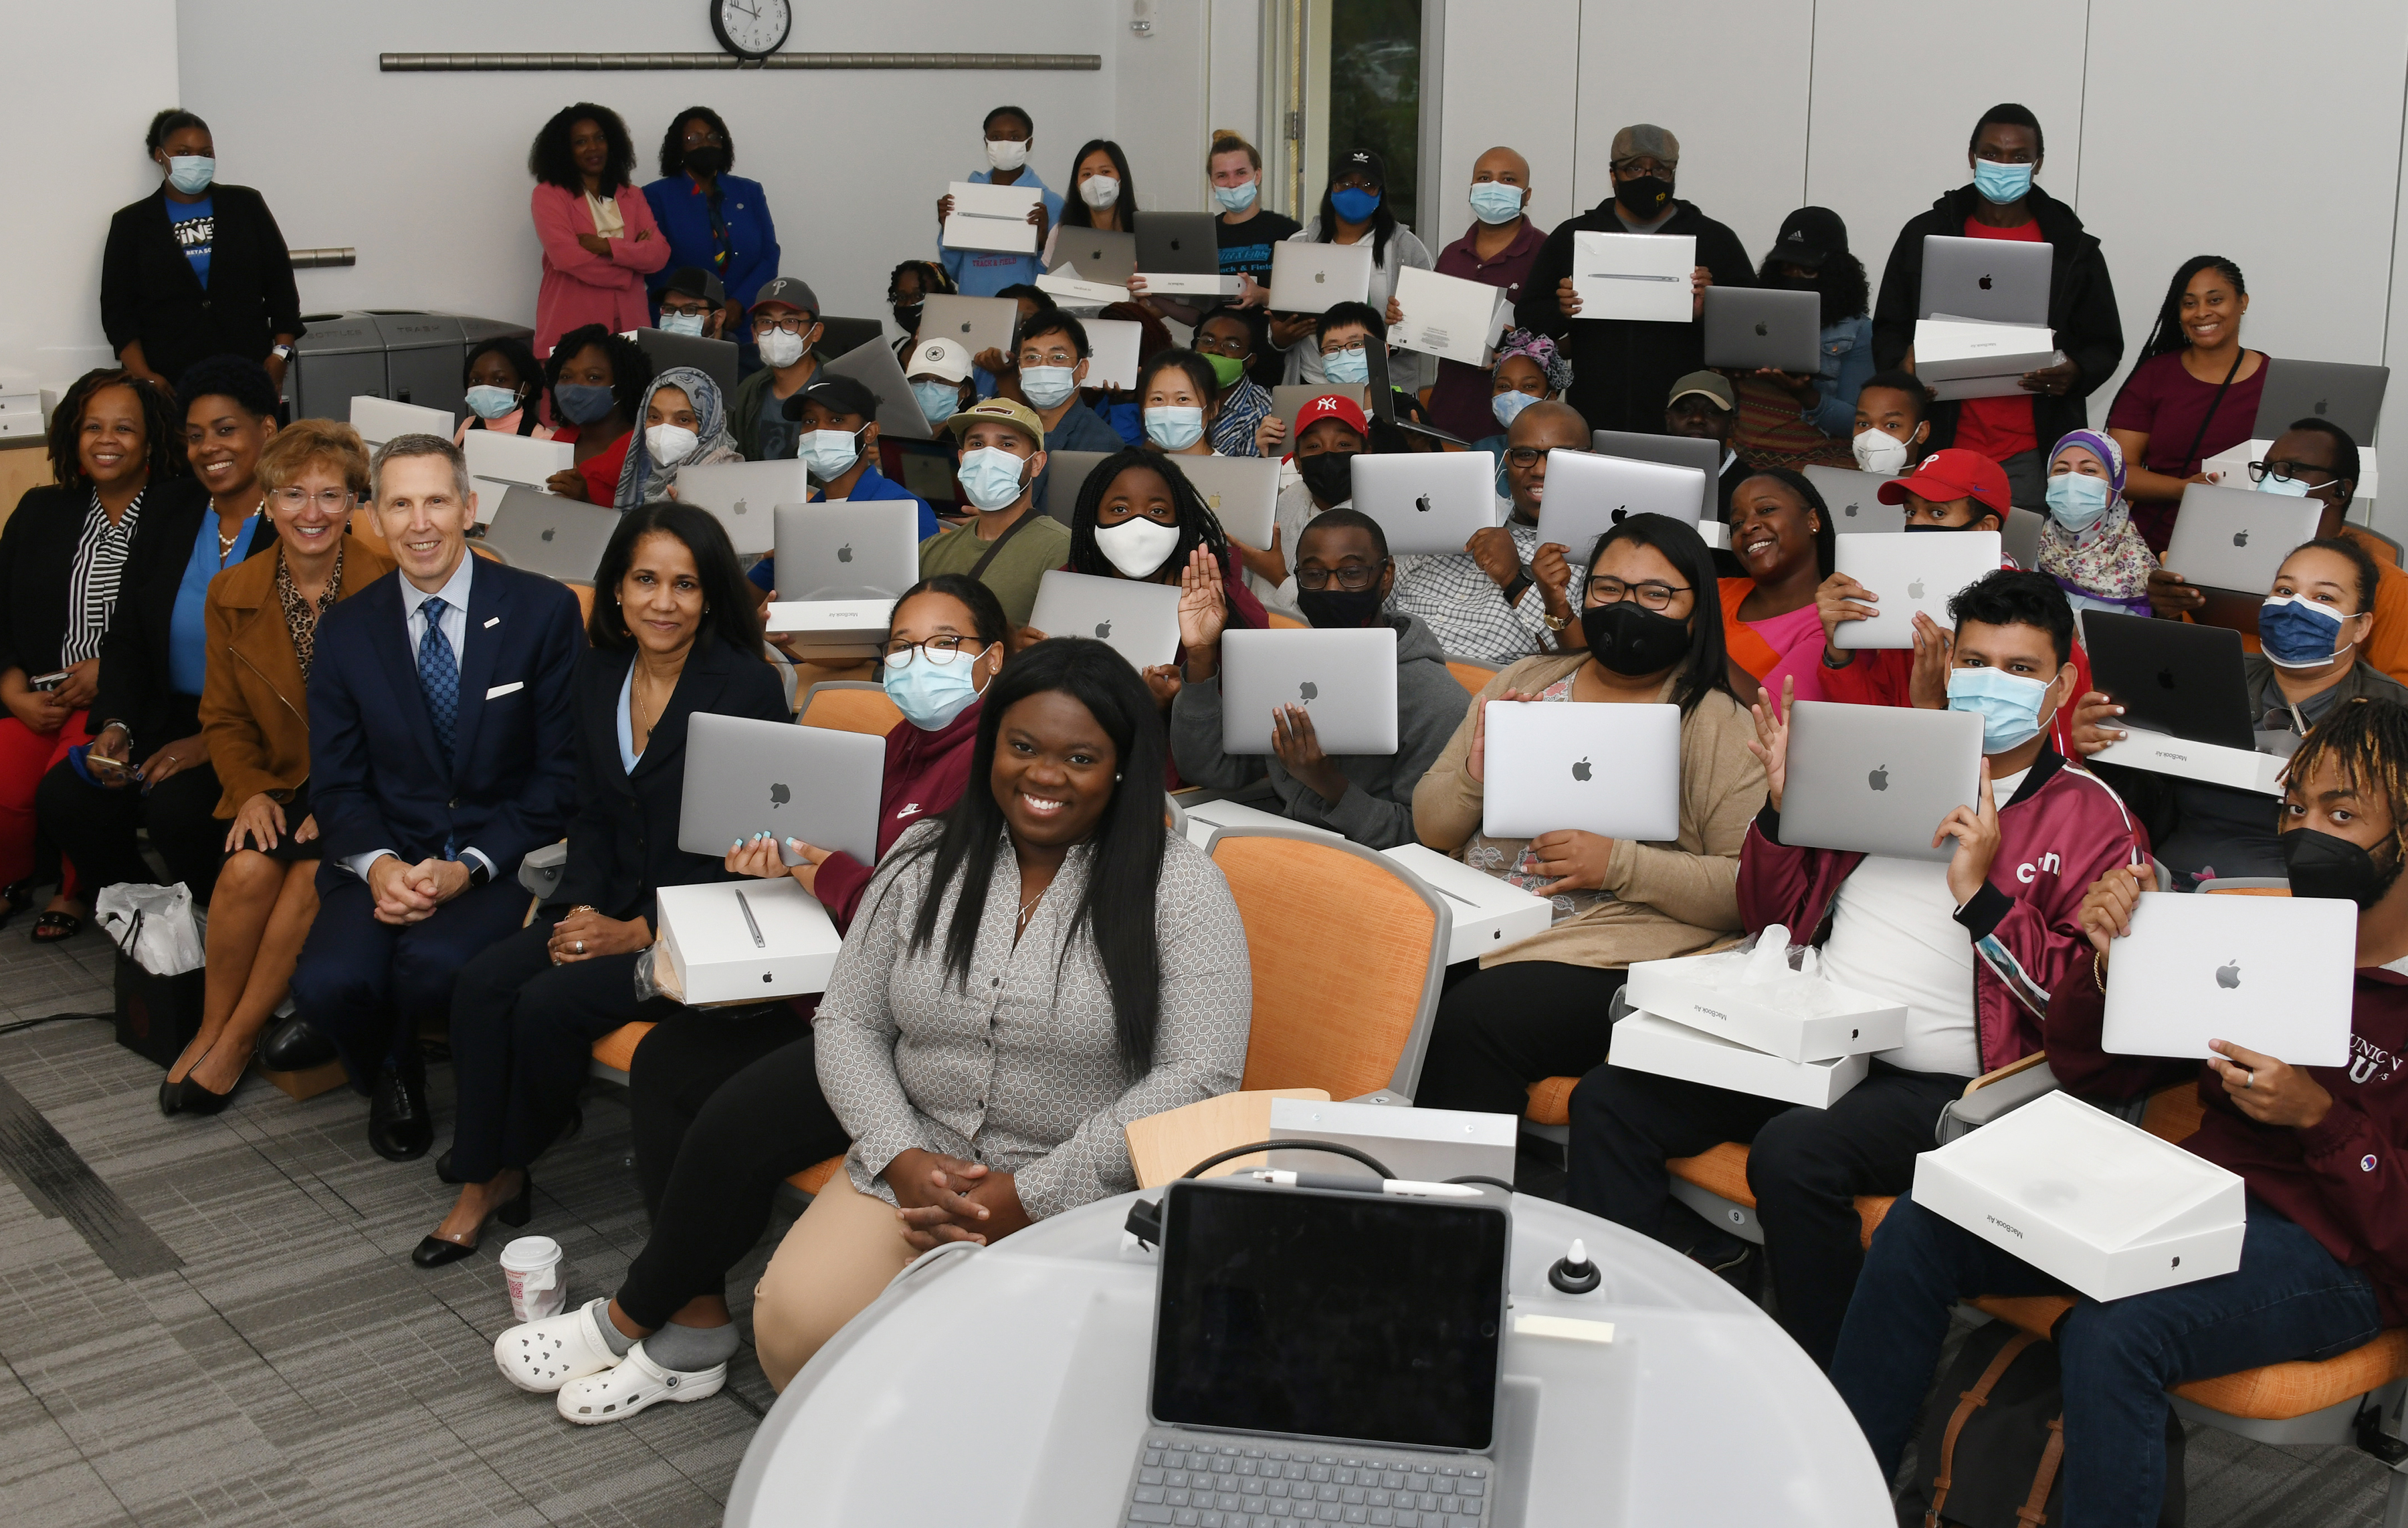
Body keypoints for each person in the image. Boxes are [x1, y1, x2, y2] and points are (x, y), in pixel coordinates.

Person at [495, 638, 1251, 1414]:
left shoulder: (1181, 888)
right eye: (1021, 747)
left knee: (1011, 1387)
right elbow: (851, 1019)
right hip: (923, 1153)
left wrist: (1032, 1192)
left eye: (1080, 757)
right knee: (790, 1332)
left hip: (1082, 1178)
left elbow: (1199, 1074)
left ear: (1123, 766)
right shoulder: (926, 856)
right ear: (991, 746)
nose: (1044, 775)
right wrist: (899, 1155)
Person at [1833, 695, 2408, 1523]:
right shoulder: (2266, 934)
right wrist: (2111, 969)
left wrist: (2321, 1119)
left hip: (2334, 1256)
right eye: (2293, 807)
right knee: (1920, 1230)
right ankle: (1842, 1497)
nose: (2303, 830)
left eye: (2341, 812)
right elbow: (2095, 1069)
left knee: (2117, 1335)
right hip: (2194, 1202)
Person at [1575, 569, 2145, 1361]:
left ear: (2061, 688)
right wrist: (1781, 813)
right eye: (1975, 661)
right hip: (1810, 1040)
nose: (1992, 684)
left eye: (2021, 670)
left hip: (1943, 1081)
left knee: (1795, 1152)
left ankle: (1833, 1385)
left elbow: (2083, 1006)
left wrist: (1980, 894)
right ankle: (1626, 1331)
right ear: (1949, 669)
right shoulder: (1885, 762)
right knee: (1611, 1099)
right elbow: (1770, 916)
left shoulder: (2091, 816)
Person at [417, 502, 783, 1266]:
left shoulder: (747, 686)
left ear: (711, 596)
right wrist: (579, 905)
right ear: (615, 589)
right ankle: (494, 1161)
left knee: (549, 1004)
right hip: (601, 896)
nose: (663, 601)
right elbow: (590, 813)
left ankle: (492, 1171)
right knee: (481, 983)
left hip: (694, 930)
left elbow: (750, 850)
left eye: (685, 585)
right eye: (645, 579)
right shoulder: (598, 673)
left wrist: (645, 930)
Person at [273, 435, 582, 1161]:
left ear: (469, 508)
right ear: (372, 518)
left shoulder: (543, 612)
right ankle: (391, 1069)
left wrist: (469, 865)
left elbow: (561, 776)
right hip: (387, 846)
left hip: (501, 850)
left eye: (437, 500)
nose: (420, 523)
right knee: (326, 983)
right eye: (400, 503)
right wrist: (380, 867)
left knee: (434, 968)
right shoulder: (347, 631)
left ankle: (495, 1084)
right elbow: (338, 780)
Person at [1412, 514, 1768, 1119]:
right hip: (1478, 919)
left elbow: (1744, 892)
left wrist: (1620, 863)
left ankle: (1465, 1203)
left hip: (1603, 950)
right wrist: (1476, 774)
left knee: (1468, 1025)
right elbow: (1432, 827)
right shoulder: (1525, 680)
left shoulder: (1720, 725)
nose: (1627, 607)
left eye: (1656, 594)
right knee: (1373, 982)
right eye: (1608, 589)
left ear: (1697, 612)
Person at [167, 421, 396, 1113]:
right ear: (267, 502)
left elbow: (409, 720)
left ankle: (237, 1039)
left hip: (370, 783)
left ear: (358, 503)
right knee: (241, 868)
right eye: (294, 495)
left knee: (305, 877)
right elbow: (224, 719)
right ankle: (210, 1027)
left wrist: (345, 797)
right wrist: (251, 792)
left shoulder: (389, 584)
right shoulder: (230, 592)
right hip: (284, 781)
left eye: (332, 495)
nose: (313, 513)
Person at [36, 358, 281, 929]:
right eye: (194, 436)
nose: (207, 448)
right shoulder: (172, 508)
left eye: (226, 430)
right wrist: (116, 724)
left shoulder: (294, 521)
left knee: (177, 810)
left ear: (266, 432)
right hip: (163, 712)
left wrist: (209, 743)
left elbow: (299, 666)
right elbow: (126, 636)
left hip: (254, 724)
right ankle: (164, 920)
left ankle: (232, 924)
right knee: (65, 798)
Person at [2091, 536, 2408, 888]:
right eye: (2285, 591)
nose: (2296, 607)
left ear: (2362, 626)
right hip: (2162, 882)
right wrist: (2106, 749)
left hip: (2308, 901)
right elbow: (2146, 798)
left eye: (2324, 597)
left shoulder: (2392, 711)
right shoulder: (2206, 673)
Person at [0, 371, 193, 939]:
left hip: (122, 700)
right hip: (39, 694)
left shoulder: (179, 514)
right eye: (93, 427)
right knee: (7, 786)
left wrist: (112, 671)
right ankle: (14, 879)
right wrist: (10, 688)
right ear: (74, 437)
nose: (107, 440)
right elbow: (1, 606)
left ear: (152, 439)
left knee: (72, 787)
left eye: (125, 428)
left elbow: (188, 621)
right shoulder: (42, 509)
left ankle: (75, 888)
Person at [1870, 104, 2122, 509]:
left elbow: (2104, 342)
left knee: (2022, 567)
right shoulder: (1926, 233)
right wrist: (1904, 369)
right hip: (1942, 440)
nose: (2004, 165)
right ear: (1972, 157)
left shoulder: (2072, 246)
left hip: (2032, 452)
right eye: (1992, 153)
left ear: (2038, 164)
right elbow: (1888, 326)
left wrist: (2075, 371)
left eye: (2019, 157)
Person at [1171, 508, 1459, 847]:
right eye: (1314, 574)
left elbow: (1426, 837)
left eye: (1352, 573)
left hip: (1375, 871)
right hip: (1281, 843)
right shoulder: (1282, 663)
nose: (1332, 588)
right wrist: (1201, 654)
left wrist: (1326, 783)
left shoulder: (1435, 698)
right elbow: (1210, 770)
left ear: (1385, 576)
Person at [1814, 448, 2096, 758]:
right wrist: (1839, 650)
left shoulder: (2034, 609)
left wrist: (1939, 704)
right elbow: (1868, 731)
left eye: (1937, 513)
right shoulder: (1900, 602)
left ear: (1984, 528)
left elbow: (2065, 737)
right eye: (1910, 512)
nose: (1916, 525)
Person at [1516, 124, 1754, 436]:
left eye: (1660, 170)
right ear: (1613, 175)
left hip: (1686, 421)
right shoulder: (1573, 237)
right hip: (1595, 414)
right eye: (1634, 169)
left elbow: (1751, 335)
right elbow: (1529, 319)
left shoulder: (1715, 240)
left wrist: (1710, 309)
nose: (1648, 178)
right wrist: (1561, 310)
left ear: (1674, 174)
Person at [2148, 419, 2408, 686]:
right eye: (2267, 468)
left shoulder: (2389, 585)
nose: (2273, 479)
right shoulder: (2223, 558)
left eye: (2291, 470)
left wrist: (2319, 642)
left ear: (2341, 490)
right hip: (2214, 702)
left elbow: (2398, 700)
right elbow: (2177, 661)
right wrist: (2167, 612)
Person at [1045, 448, 1267, 712]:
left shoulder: (1219, 591)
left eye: (1158, 511)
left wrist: (1187, 689)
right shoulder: (1069, 584)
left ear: (1181, 519)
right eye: (1120, 509)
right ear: (1092, 519)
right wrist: (1031, 661)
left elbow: (1257, 694)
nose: (1139, 526)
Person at [102, 109, 301, 391]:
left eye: (206, 154)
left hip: (246, 369)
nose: (196, 161)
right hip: (169, 378)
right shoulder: (131, 223)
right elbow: (118, 313)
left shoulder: (245, 205)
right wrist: (144, 376)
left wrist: (281, 355)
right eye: (183, 153)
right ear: (161, 155)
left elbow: (281, 285)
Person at [1389, 398, 1589, 665]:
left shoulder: (1593, 555)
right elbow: (1384, 603)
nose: (1540, 470)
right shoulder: (1456, 520)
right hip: (1387, 669)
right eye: (1525, 455)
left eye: (1559, 456)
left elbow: (1579, 664)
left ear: (1589, 460)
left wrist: (1513, 579)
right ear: (1507, 462)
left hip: (1478, 693)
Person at [2105, 256, 2264, 553]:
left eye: (2215, 300)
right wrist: (2186, 489)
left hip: (2250, 543)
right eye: (2189, 304)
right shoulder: (2154, 375)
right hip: (2155, 548)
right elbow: (2118, 471)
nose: (2202, 313)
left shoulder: (2275, 380)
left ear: (2242, 302)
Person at [744, 377, 940, 599]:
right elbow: (742, 602)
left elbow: (929, 599)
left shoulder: (908, 511)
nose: (819, 431)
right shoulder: (799, 519)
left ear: (870, 433)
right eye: (809, 421)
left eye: (836, 420)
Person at [1271, 149, 1435, 395]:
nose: (1354, 191)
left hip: (1385, 388)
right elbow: (1278, 322)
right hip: (1311, 383)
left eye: (1367, 185)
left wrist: (1400, 328)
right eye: (1345, 183)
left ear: (1380, 193)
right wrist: (1281, 337)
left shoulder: (1407, 247)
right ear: (1332, 189)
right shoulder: (1298, 244)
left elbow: (1429, 324)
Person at [1423, 147, 1550, 442]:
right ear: (1471, 189)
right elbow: (1431, 326)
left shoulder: (1547, 253)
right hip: (1448, 416)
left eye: (1507, 180)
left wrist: (1519, 348)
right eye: (1484, 177)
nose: (1494, 187)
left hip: (1517, 425)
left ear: (1527, 195)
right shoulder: (1452, 254)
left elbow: (1565, 340)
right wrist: (1406, 317)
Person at [1733, 207, 1875, 472]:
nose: (1794, 278)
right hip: (1748, 468)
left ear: (1837, 273)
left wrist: (1804, 393)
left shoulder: (1857, 331)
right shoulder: (1752, 318)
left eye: (1808, 271)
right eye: (1786, 268)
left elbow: (1860, 423)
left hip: (1816, 473)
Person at [528, 103, 667, 363]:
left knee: (629, 400)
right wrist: (632, 265)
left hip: (631, 323)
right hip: (571, 321)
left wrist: (606, 247)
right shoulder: (549, 195)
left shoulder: (632, 194)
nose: (593, 148)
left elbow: (658, 255)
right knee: (569, 400)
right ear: (564, 150)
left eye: (600, 138)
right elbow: (566, 258)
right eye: (580, 142)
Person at [918, 398, 1073, 626]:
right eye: (977, 444)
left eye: (1007, 445)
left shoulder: (1061, 549)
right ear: (962, 459)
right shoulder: (931, 550)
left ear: (1037, 463)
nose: (988, 457)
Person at [642, 108, 777, 365]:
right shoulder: (655, 196)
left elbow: (770, 255)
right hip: (682, 323)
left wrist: (738, 303)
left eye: (714, 137)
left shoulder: (749, 192)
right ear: (678, 148)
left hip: (744, 319)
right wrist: (701, 309)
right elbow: (654, 262)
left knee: (741, 393)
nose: (706, 144)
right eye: (694, 139)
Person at [1246, 392, 1369, 621]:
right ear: (1298, 462)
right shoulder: (1291, 496)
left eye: (1343, 444)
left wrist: (1278, 577)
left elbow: (1337, 617)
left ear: (1366, 454)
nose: (1328, 455)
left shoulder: (1373, 524)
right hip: (1246, 629)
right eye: (1314, 446)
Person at [1720, 468, 1837, 704]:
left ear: (1812, 521)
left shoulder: (1832, 622)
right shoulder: (1713, 590)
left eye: (1766, 510)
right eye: (1737, 523)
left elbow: (1770, 715)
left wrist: (1699, 640)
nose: (1747, 527)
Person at [936, 106, 1062, 298]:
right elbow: (956, 271)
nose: (1004, 144)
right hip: (973, 307)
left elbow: (1057, 280)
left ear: (1029, 144)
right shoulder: (965, 199)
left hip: (1026, 313)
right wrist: (949, 230)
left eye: (1014, 137)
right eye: (996, 137)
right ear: (986, 143)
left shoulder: (1051, 205)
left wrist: (1042, 243)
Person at [2036, 429, 2156, 618]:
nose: (2072, 480)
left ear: (2116, 483)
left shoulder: (2140, 570)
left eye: (2089, 470)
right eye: (2061, 470)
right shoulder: (2029, 548)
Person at [1011, 309, 1126, 508]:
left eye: (1058, 358)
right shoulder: (1010, 430)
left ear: (1082, 369)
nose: (1043, 367)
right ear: (1020, 369)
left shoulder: (1101, 444)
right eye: (1032, 357)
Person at [540, 325, 653, 505]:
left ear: (623, 385)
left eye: (594, 377)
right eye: (566, 377)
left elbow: (637, 522)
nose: (575, 388)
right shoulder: (564, 436)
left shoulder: (640, 450)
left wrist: (586, 500)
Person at [726, 276, 831, 462]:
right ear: (755, 334)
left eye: (790, 321)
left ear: (816, 332)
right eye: (766, 322)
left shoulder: (839, 388)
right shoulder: (746, 393)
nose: (776, 331)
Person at [610, 365, 739, 508]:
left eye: (683, 420)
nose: (664, 429)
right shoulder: (640, 466)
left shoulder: (725, 480)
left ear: (708, 426)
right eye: (654, 417)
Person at [1204, 130, 1300, 310]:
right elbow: (1194, 312)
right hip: (1210, 333)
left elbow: (1303, 297)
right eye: (1222, 176)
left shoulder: (1287, 231)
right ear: (1212, 183)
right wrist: (1151, 291)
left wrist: (1263, 296)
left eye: (1240, 173)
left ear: (1257, 176)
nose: (1232, 184)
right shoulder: (1203, 234)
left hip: (1266, 335)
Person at [1470, 328, 1574, 467]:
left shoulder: (1567, 455)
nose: (1514, 395)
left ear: (1551, 396)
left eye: (1529, 386)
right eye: (1504, 387)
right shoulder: (1481, 451)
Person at [1664, 371, 1750, 520]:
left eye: (1711, 412)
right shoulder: (1652, 475)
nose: (1697, 419)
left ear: (1731, 425)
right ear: (1669, 421)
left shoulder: (1750, 484)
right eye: (1686, 410)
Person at [1197, 306, 1275, 458]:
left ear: (1250, 360)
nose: (1216, 350)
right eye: (1207, 341)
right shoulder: (1179, 390)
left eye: (1231, 345)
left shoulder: (1262, 411)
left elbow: (1242, 474)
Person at [452, 335, 557, 445]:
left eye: (500, 380)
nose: (486, 387)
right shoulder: (468, 426)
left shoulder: (543, 440)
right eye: (477, 380)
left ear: (524, 389)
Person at [1134, 349, 1219, 459]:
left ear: (1213, 408)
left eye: (1183, 399)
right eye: (1158, 399)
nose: (1169, 409)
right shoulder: (1142, 473)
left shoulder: (1231, 473)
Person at [1849, 369, 1935, 476]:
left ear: (1921, 432)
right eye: (1864, 424)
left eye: (1892, 425)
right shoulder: (1837, 490)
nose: (1872, 438)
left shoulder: (1933, 492)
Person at [887, 258, 958, 368]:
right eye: (901, 297)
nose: (908, 303)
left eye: (919, 296)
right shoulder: (896, 350)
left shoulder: (956, 353)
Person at [904, 335, 976, 431]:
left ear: (965, 391)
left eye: (941, 381)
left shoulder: (971, 439)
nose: (928, 388)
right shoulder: (890, 431)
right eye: (919, 379)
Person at [652, 265, 728, 339]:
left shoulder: (736, 352)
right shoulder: (650, 350)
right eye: (670, 309)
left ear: (718, 318)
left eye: (690, 310)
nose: (675, 319)